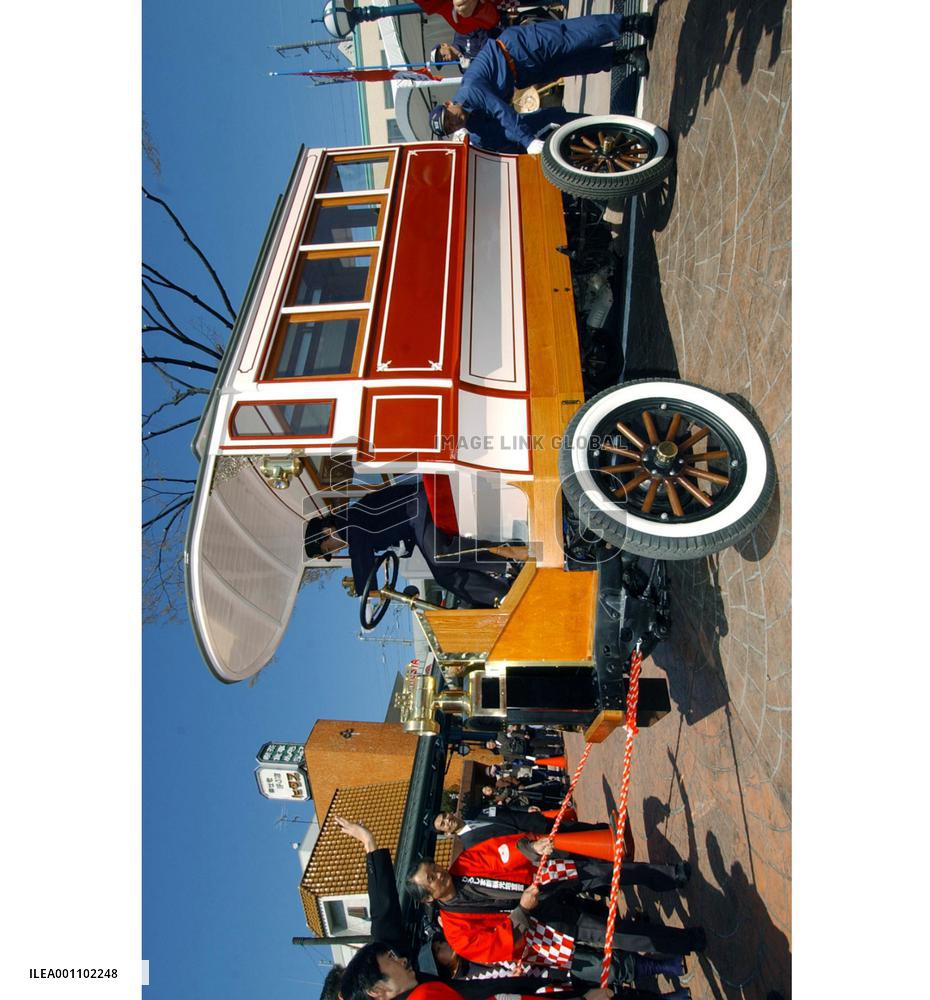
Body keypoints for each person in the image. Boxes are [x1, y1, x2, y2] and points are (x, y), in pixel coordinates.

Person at [408, 834, 702, 968]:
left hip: (542, 876)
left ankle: (670, 875)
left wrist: (531, 848)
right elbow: (492, 947)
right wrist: (523, 910)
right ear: (428, 899)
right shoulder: (456, 930)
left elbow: (502, 852)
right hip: (539, 923)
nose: (438, 873)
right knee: (618, 935)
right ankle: (686, 942)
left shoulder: (465, 863)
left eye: (432, 868)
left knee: (607, 872)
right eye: (430, 879)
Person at [427, 12, 656, 154]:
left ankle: (632, 22)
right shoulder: (471, 123)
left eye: (449, 117)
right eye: (450, 127)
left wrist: (527, 141)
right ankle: (627, 56)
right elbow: (494, 136)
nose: (454, 122)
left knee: (575, 36)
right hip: (523, 74)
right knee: (576, 64)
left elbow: (501, 111)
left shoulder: (469, 91)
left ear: (449, 103)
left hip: (517, 47)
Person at [304, 478, 526, 608]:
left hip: (416, 504)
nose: (334, 549)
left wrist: (366, 592)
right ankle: (500, 594)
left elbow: (361, 554)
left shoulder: (348, 523)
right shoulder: (352, 525)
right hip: (412, 519)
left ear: (326, 532)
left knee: (440, 554)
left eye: (326, 548)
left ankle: (509, 560)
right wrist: (404, 547)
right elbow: (387, 531)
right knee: (443, 575)